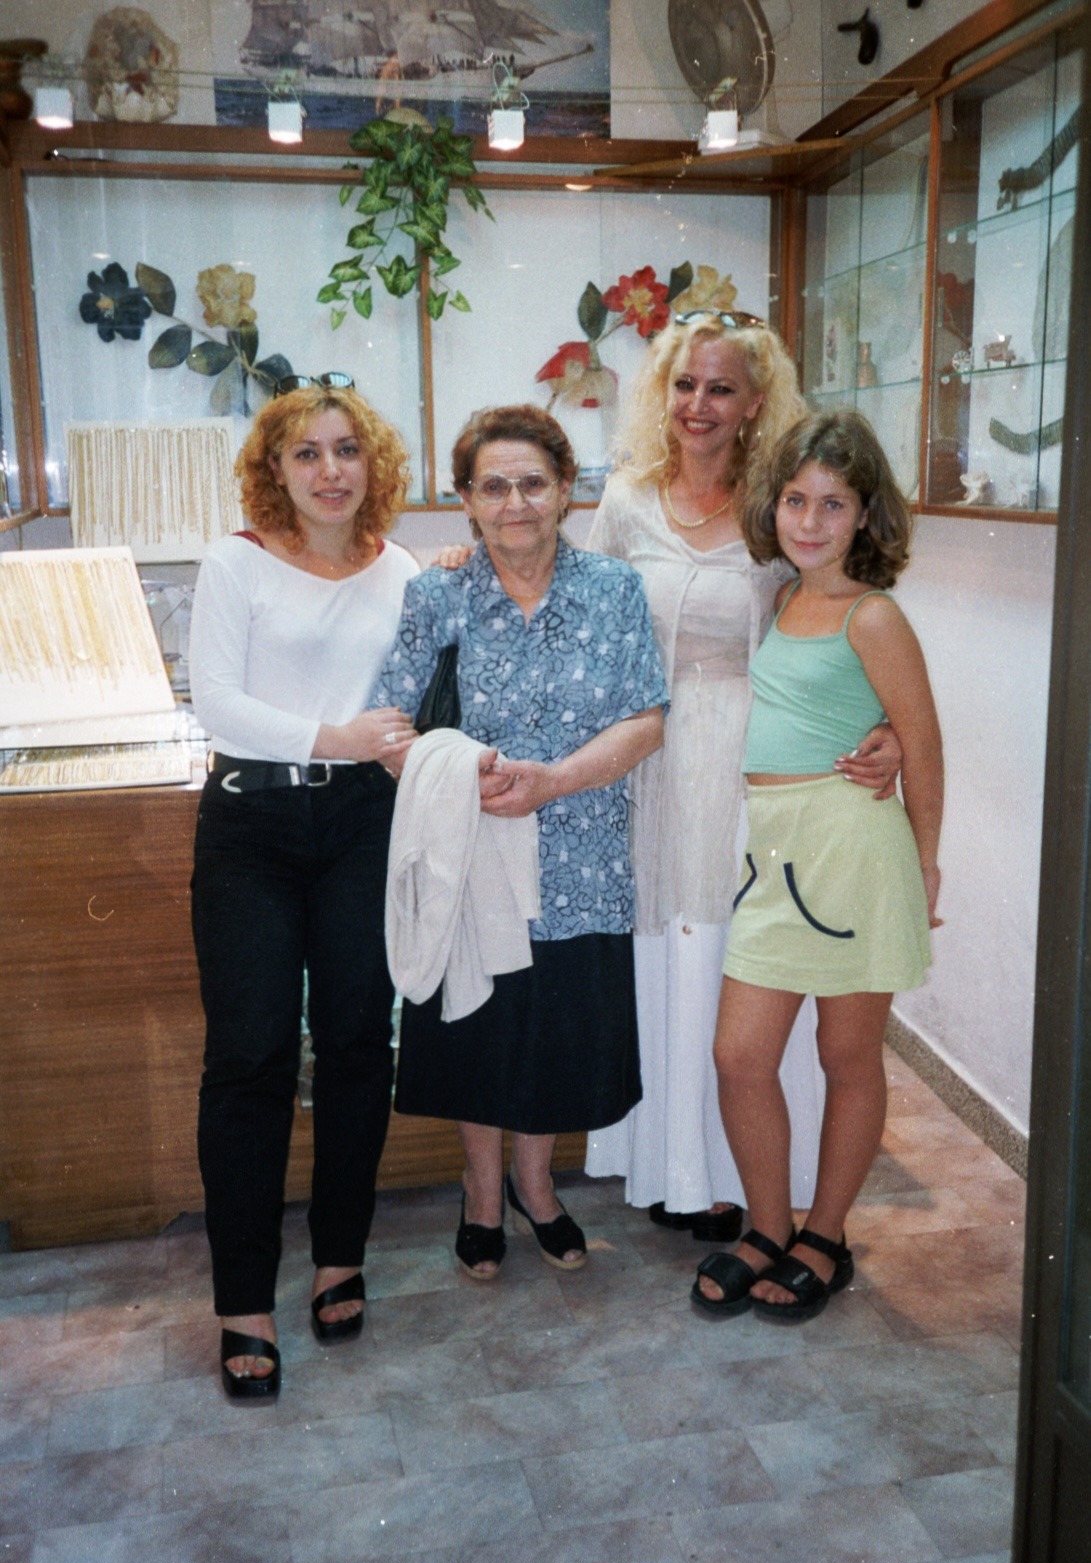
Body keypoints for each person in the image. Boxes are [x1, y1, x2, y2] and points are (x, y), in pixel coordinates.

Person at [582, 310, 900, 1237]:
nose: (698, 404)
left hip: (757, 760)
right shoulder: (628, 499)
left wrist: (888, 728)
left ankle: (737, 1181)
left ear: (756, 401)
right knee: (666, 950)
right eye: (684, 385)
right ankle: (671, 1165)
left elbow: (840, 630)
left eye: (720, 387)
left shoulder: (780, 505)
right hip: (645, 753)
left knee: (740, 958)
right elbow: (582, 610)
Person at [372, 404, 668, 1279]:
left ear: (565, 491)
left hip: (580, 857)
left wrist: (554, 779)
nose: (515, 503)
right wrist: (450, 779)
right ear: (465, 497)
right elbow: (392, 725)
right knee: (477, 1027)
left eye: (532, 483)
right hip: (470, 856)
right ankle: (478, 1191)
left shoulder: (614, 591)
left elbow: (645, 719)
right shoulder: (436, 593)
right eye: (493, 485)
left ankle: (537, 1187)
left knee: (554, 1037)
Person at [189, 381, 419, 1398]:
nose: (330, 470)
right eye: (306, 454)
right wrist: (333, 737)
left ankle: (339, 1255)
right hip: (251, 822)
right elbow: (218, 704)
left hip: (364, 824)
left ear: (371, 466)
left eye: (345, 451)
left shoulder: (403, 569)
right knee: (250, 1054)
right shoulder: (234, 561)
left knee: (361, 1040)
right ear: (274, 470)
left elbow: (418, 697)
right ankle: (242, 1298)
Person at [693, 408, 943, 1321]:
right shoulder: (780, 597)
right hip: (775, 851)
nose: (807, 520)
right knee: (739, 1055)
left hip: (851, 848)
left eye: (832, 504)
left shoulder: (872, 614)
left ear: (866, 515)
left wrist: (924, 868)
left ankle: (824, 1234)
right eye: (795, 499)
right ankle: (766, 1224)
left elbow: (921, 743)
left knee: (846, 1053)